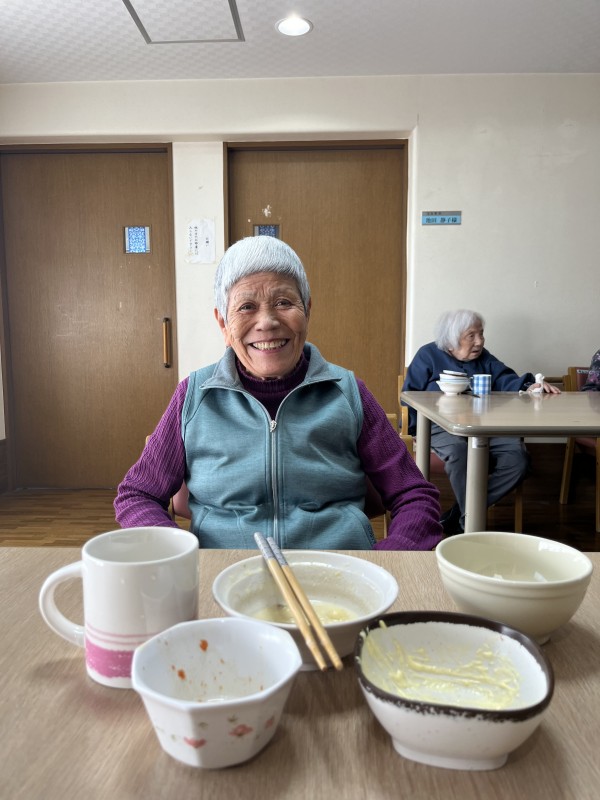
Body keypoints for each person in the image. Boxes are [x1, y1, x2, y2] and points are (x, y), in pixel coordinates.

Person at [114, 236, 442, 551]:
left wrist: (384, 564)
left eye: (284, 302)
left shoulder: (347, 392)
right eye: (246, 307)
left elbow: (414, 495)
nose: (267, 322)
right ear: (223, 324)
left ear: (307, 311)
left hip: (339, 571)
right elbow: (138, 495)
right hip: (226, 575)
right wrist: (181, 556)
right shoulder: (194, 396)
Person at [402, 309, 560, 535]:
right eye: (471, 335)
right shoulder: (428, 355)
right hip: (441, 425)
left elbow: (506, 379)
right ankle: (470, 522)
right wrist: (415, 430)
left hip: (484, 424)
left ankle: (461, 515)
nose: (479, 341)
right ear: (451, 339)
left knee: (518, 460)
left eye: (481, 334)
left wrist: (530, 386)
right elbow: (409, 395)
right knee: (459, 453)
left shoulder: (484, 357)